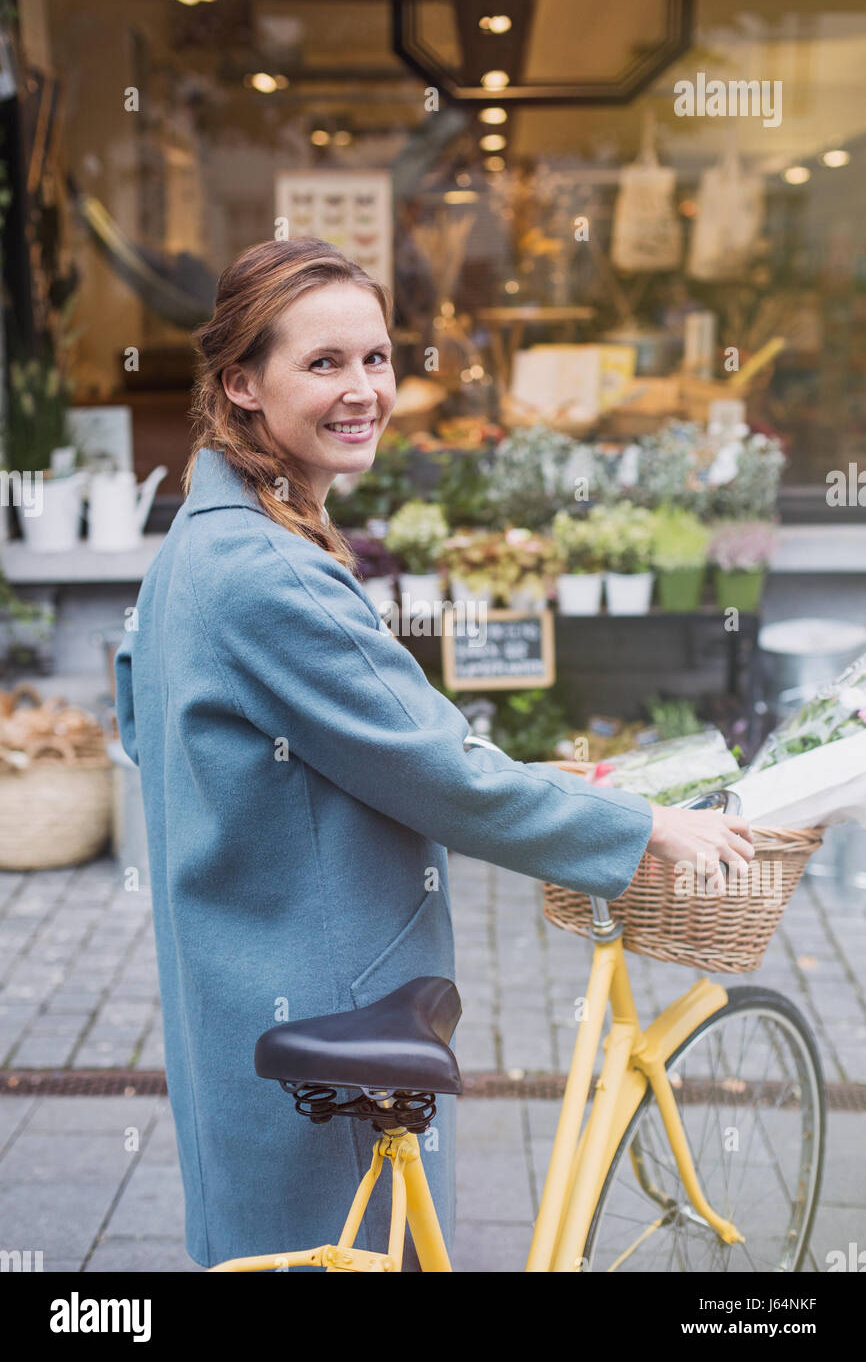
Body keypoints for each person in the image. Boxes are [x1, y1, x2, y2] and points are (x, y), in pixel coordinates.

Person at [114, 236, 754, 1271]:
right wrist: (641, 826)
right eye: (322, 364)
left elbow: (146, 726)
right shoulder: (269, 573)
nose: (363, 388)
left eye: (375, 358)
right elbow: (443, 771)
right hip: (332, 986)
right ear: (240, 383)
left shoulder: (200, 538)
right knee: (354, 1247)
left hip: (234, 978)